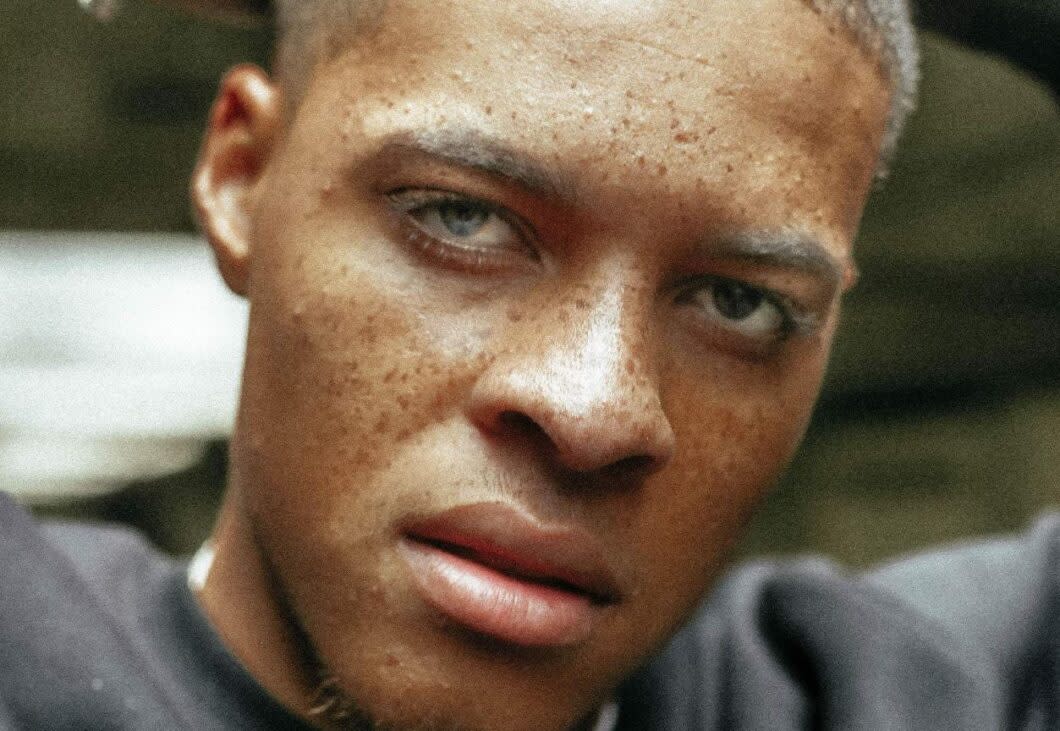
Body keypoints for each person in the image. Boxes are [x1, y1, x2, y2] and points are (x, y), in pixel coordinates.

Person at [0, 0, 1056, 729]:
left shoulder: (887, 696)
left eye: (740, 301)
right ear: (241, 176)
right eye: (461, 217)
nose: (593, 407)